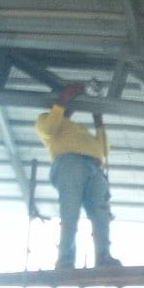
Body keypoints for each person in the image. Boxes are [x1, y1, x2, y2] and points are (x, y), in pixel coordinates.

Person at [37, 82, 120, 269]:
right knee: (70, 211)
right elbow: (49, 128)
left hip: (95, 168)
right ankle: (65, 260)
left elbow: (104, 150)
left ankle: (104, 257)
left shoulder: (78, 129)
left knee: (101, 214)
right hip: (70, 162)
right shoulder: (45, 119)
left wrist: (98, 119)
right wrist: (63, 98)